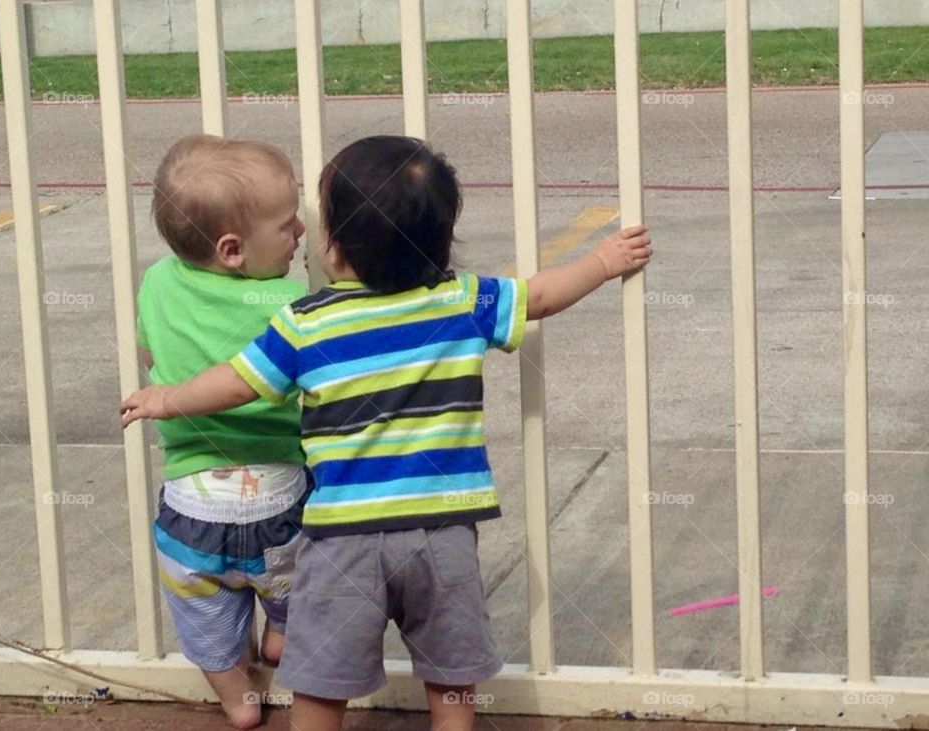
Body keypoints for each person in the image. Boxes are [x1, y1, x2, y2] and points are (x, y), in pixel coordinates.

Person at [122, 135, 652, 731]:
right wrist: (604, 263)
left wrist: (168, 397)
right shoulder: (462, 299)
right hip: (444, 528)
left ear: (337, 247)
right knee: (450, 663)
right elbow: (540, 298)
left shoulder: (306, 323)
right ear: (439, 243)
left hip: (342, 534)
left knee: (322, 674)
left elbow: (236, 383)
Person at [137, 134, 311, 728]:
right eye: (288, 225)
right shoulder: (290, 302)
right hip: (281, 502)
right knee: (299, 583)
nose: (301, 233)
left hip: (190, 506)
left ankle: (238, 698)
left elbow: (148, 354)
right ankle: (283, 634)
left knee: (204, 615)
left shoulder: (157, 282)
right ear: (233, 250)